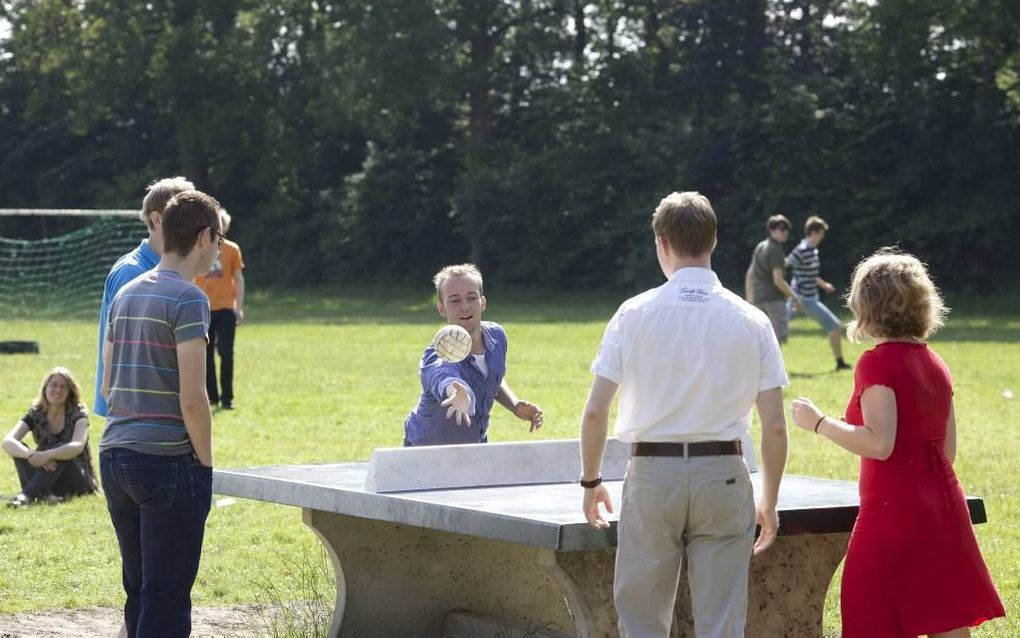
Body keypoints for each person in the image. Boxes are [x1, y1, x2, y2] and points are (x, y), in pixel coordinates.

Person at [581, 191, 789, 637]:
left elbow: (596, 411)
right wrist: (769, 497)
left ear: (662, 243)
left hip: (653, 474)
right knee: (721, 622)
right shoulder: (752, 319)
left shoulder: (632, 313)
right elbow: (774, 423)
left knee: (642, 620)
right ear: (713, 241)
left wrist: (591, 481)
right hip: (725, 474)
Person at [791, 249, 1005, 637]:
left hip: (892, 514)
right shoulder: (936, 363)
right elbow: (948, 451)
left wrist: (819, 422)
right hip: (944, 510)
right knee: (946, 619)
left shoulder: (876, 363)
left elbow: (879, 443)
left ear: (868, 307)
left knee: (872, 617)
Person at [100, 190, 222, 637]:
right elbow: (193, 397)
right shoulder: (189, 299)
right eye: (220, 239)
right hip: (165, 463)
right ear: (205, 236)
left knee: (140, 589)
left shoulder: (126, 291)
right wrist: (205, 466)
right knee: (167, 596)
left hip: (114, 457)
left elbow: (107, 385)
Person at [403, 263, 543, 446]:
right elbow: (444, 376)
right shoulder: (440, 353)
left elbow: (492, 378)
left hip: (475, 446)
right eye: (454, 300)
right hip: (426, 452)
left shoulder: (497, 336)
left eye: (471, 298)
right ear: (441, 308)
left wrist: (515, 405)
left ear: (482, 302)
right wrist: (458, 393)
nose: (465, 307)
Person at [94, 176, 195, 418]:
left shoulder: (177, 269)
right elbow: (123, 353)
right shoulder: (131, 271)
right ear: (157, 219)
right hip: (135, 414)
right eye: (186, 216)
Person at [2, 367, 99, 507]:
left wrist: (48, 454)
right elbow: (7, 442)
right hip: (46, 477)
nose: (58, 390)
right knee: (19, 450)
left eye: (63, 387)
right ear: (45, 388)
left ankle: (27, 495)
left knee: (62, 449)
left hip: (77, 480)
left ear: (69, 392)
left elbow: (77, 446)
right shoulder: (36, 413)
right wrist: (32, 455)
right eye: (53, 385)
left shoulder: (78, 414)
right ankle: (45, 495)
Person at [195, 208, 245, 409]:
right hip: (203, 309)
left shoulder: (232, 249)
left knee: (226, 352)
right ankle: (212, 396)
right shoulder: (199, 249)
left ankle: (227, 398)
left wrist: (238, 307)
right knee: (205, 354)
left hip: (226, 309)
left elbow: (239, 279)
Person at [786, 215, 851, 371]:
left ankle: (840, 363)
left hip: (809, 298)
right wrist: (793, 294)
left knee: (776, 328)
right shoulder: (802, 250)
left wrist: (824, 285)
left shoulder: (812, 250)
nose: (823, 237)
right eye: (821, 233)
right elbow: (783, 266)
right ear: (814, 233)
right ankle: (840, 363)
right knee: (834, 326)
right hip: (804, 299)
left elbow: (809, 274)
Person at [745, 214, 800, 344]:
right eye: (781, 228)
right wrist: (794, 296)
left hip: (758, 300)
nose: (785, 232)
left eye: (786, 229)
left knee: (760, 341)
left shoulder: (760, 246)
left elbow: (750, 275)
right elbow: (778, 281)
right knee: (776, 341)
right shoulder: (776, 249)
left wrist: (750, 301)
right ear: (772, 230)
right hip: (774, 300)